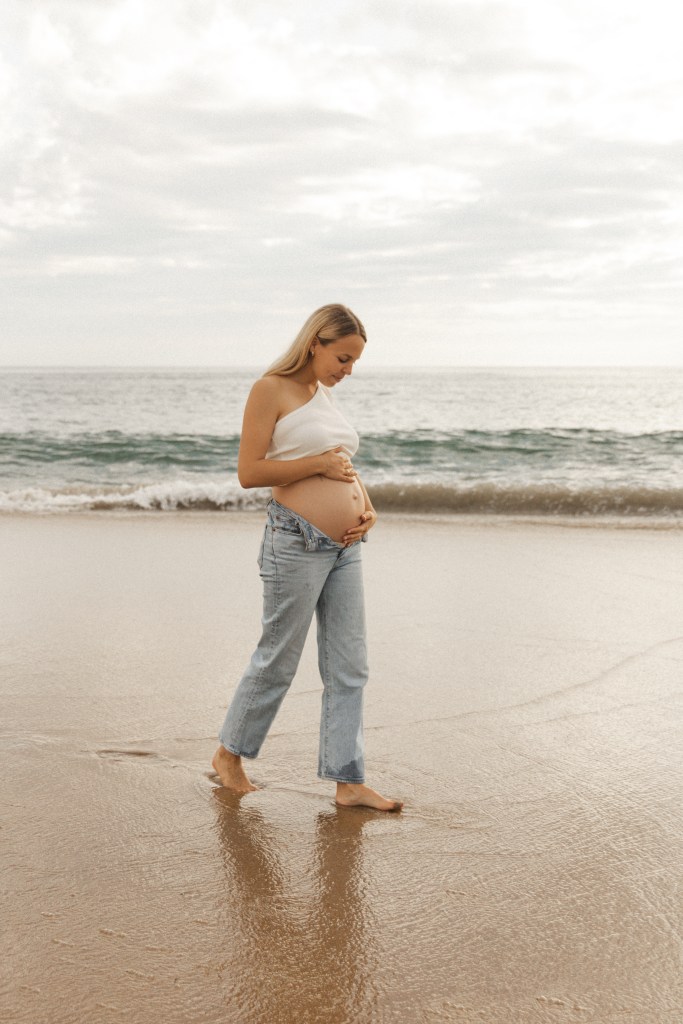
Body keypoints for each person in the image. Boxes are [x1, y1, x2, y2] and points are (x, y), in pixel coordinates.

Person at [212, 304, 403, 812]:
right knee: (279, 656)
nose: (348, 370)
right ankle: (229, 756)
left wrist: (368, 509)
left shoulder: (324, 396)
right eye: (342, 358)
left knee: (350, 665)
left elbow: (342, 464)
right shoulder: (269, 389)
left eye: (354, 361)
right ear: (315, 342)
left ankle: (347, 781)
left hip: (346, 547)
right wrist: (318, 464)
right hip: (295, 540)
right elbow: (250, 472)